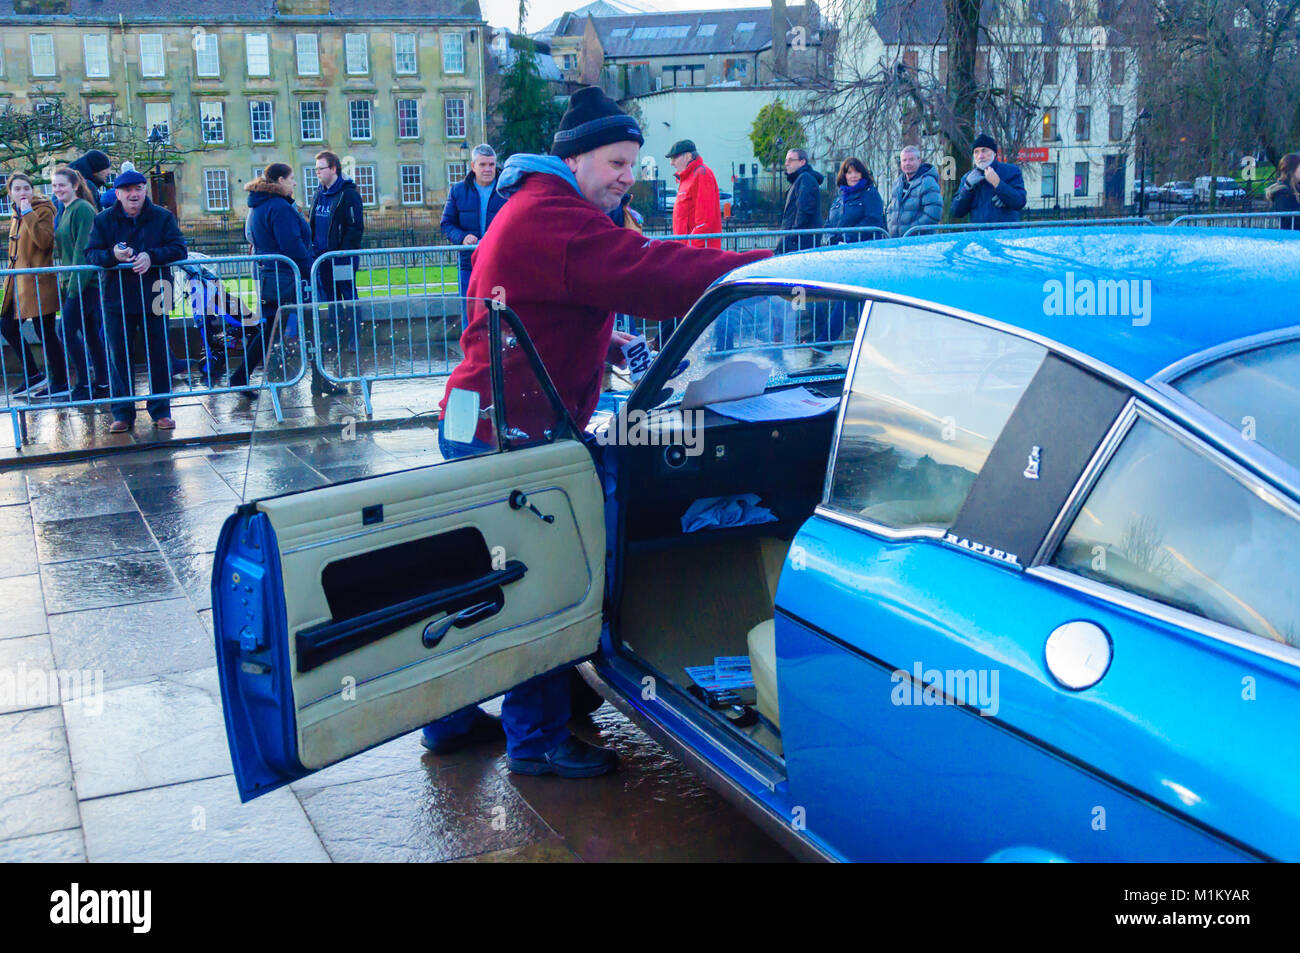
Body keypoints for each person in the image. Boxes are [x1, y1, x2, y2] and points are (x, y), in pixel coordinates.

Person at [424, 86, 772, 778]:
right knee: (541, 588)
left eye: (632, 163)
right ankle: (538, 741)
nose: (626, 176)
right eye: (616, 162)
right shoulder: (555, 219)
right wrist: (768, 269)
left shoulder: (536, 208)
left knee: (481, 586)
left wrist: (606, 343)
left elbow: (542, 301)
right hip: (512, 436)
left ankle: (449, 720)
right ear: (575, 159)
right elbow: (652, 273)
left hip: (484, 422)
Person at [83, 166, 186, 432]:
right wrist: (112, 257)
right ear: (117, 194)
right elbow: (91, 253)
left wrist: (152, 255)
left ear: (144, 191)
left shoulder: (162, 216)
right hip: (117, 297)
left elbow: (179, 249)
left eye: (138, 189)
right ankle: (122, 412)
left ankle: (161, 410)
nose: (133, 195)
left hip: (156, 294)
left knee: (159, 355)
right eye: (127, 190)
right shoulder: (103, 220)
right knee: (118, 356)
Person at [229, 163, 324, 397]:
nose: (294, 183)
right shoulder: (279, 207)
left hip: (274, 278)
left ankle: (240, 377)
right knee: (311, 329)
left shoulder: (261, 204)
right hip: (290, 279)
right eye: (291, 179)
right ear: (280, 180)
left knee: (271, 331)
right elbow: (292, 245)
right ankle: (320, 381)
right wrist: (311, 270)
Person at [1, 173, 68, 399]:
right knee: (6, 326)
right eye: (17, 189)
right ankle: (33, 375)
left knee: (45, 332)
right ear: (10, 192)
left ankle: (61, 380)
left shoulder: (42, 209)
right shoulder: (15, 213)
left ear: (32, 190)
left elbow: (44, 242)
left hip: (39, 283)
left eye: (26, 188)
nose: (22, 193)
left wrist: (28, 213)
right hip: (19, 284)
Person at [51, 166, 109, 401]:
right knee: (91, 334)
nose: (57, 190)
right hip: (73, 283)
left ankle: (85, 384)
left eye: (62, 185)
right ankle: (104, 383)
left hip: (85, 284)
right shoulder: (64, 210)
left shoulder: (82, 209)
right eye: (54, 186)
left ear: (75, 185)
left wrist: (74, 288)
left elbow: (82, 251)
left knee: (64, 330)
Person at [309, 150, 363, 377]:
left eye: (321, 168)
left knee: (348, 296)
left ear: (333, 169)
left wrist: (341, 253)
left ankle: (354, 339)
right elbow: (313, 222)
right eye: (316, 169)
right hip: (321, 258)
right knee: (331, 300)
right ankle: (334, 337)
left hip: (340, 258)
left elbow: (355, 227)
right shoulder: (319, 193)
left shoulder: (348, 194)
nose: (318, 173)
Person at [440, 144, 508, 325]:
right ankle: (471, 354)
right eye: (483, 165)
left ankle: (497, 353)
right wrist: (462, 237)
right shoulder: (458, 191)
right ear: (473, 166)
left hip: (499, 264)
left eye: (491, 165)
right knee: (469, 316)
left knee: (499, 314)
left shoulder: (507, 191)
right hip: (469, 265)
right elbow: (446, 224)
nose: (488, 169)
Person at [950, 134, 1027, 224]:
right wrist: (967, 188)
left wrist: (998, 184)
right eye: (976, 152)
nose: (980, 156)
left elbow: (1020, 202)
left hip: (1005, 235)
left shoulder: (1011, 171)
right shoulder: (968, 178)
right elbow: (956, 212)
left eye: (984, 151)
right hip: (978, 235)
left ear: (994, 153)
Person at [667, 139, 722, 248]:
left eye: (674, 158)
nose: (671, 163)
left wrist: (690, 248)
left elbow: (704, 221)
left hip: (698, 252)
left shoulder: (701, 174)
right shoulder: (687, 178)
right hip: (689, 249)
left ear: (687, 156)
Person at [887, 145, 944, 237]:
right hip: (897, 241)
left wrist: (911, 230)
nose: (907, 163)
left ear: (919, 161)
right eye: (904, 160)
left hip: (919, 241)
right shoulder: (897, 183)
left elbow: (933, 213)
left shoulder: (927, 182)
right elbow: (890, 210)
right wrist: (891, 227)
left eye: (911, 159)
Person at [827, 157, 885, 245]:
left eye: (857, 172)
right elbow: (828, 222)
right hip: (837, 249)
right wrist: (831, 238)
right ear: (844, 175)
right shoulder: (839, 198)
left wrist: (847, 237)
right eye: (849, 172)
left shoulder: (870, 194)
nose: (853, 176)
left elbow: (873, 220)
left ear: (862, 174)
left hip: (863, 247)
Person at [778, 147, 824, 254]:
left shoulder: (805, 179)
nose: (786, 164)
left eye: (790, 160)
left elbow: (804, 210)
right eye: (786, 160)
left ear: (802, 162)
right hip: (798, 240)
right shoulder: (800, 180)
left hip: (800, 242)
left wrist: (792, 237)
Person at [1266, 153, 1300, 231]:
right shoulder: (1282, 192)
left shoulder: (1295, 189)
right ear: (1292, 169)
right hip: (1291, 238)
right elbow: (1294, 218)